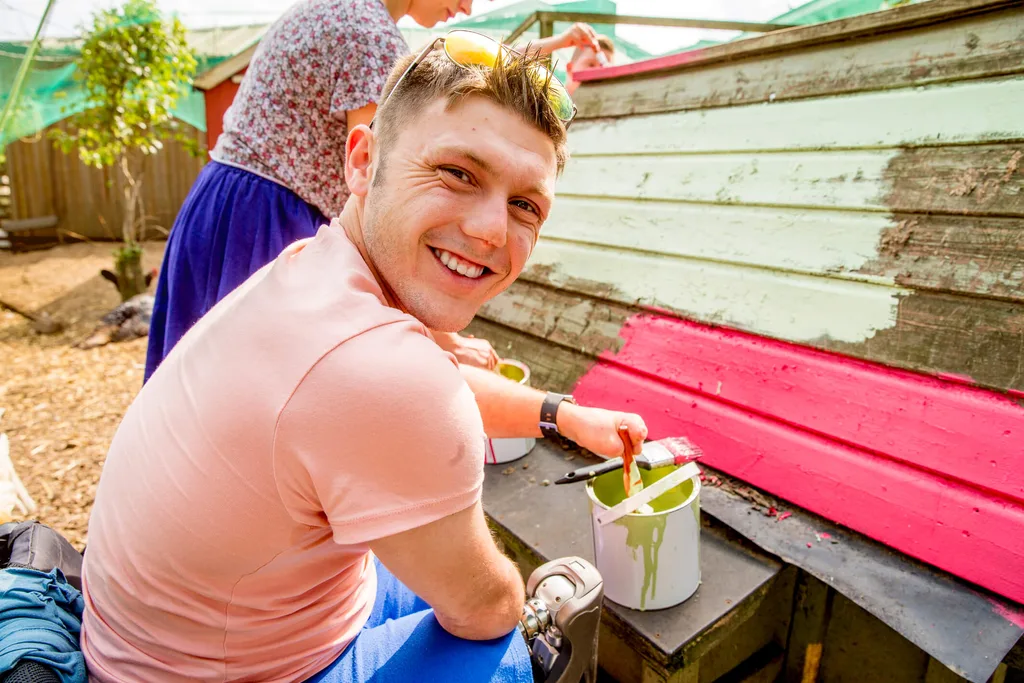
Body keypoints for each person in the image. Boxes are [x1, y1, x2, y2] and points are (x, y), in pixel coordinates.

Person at [80, 32, 647, 683]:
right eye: (458, 173)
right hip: (222, 671)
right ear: (361, 160)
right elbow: (484, 607)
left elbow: (408, 384)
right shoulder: (387, 377)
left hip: (151, 639)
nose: (493, 230)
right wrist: (516, 607)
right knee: (507, 645)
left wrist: (563, 416)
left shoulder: (317, 273)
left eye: (524, 204)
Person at [145, 0, 609, 381]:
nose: (467, 6)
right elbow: (388, 192)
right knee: (253, 389)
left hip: (226, 203)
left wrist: (553, 46)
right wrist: (444, 339)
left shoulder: (352, 12)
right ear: (358, 156)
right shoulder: (368, 36)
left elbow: (454, 68)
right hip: (266, 222)